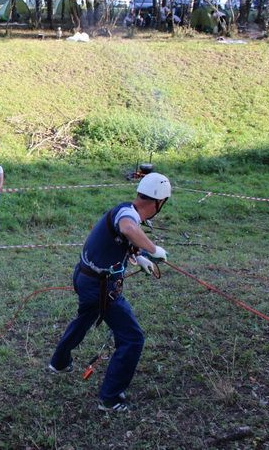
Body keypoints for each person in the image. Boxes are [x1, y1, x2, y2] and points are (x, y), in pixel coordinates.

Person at [48, 173, 171, 413]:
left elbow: (123, 238)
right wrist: (154, 249)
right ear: (159, 202)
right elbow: (127, 227)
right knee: (132, 338)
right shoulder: (128, 215)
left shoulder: (125, 210)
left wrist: (140, 257)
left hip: (85, 277)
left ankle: (59, 362)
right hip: (101, 286)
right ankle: (110, 398)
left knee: (85, 318)